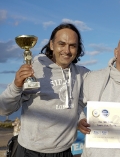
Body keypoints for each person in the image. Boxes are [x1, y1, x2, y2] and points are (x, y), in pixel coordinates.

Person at [0, 23, 89, 156]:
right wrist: (16, 85)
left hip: (64, 152)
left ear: (77, 48)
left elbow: (79, 102)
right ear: (52, 45)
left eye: (72, 45)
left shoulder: (81, 74)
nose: (67, 50)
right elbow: (4, 109)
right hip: (29, 151)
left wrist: (80, 118)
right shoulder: (33, 69)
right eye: (62, 44)